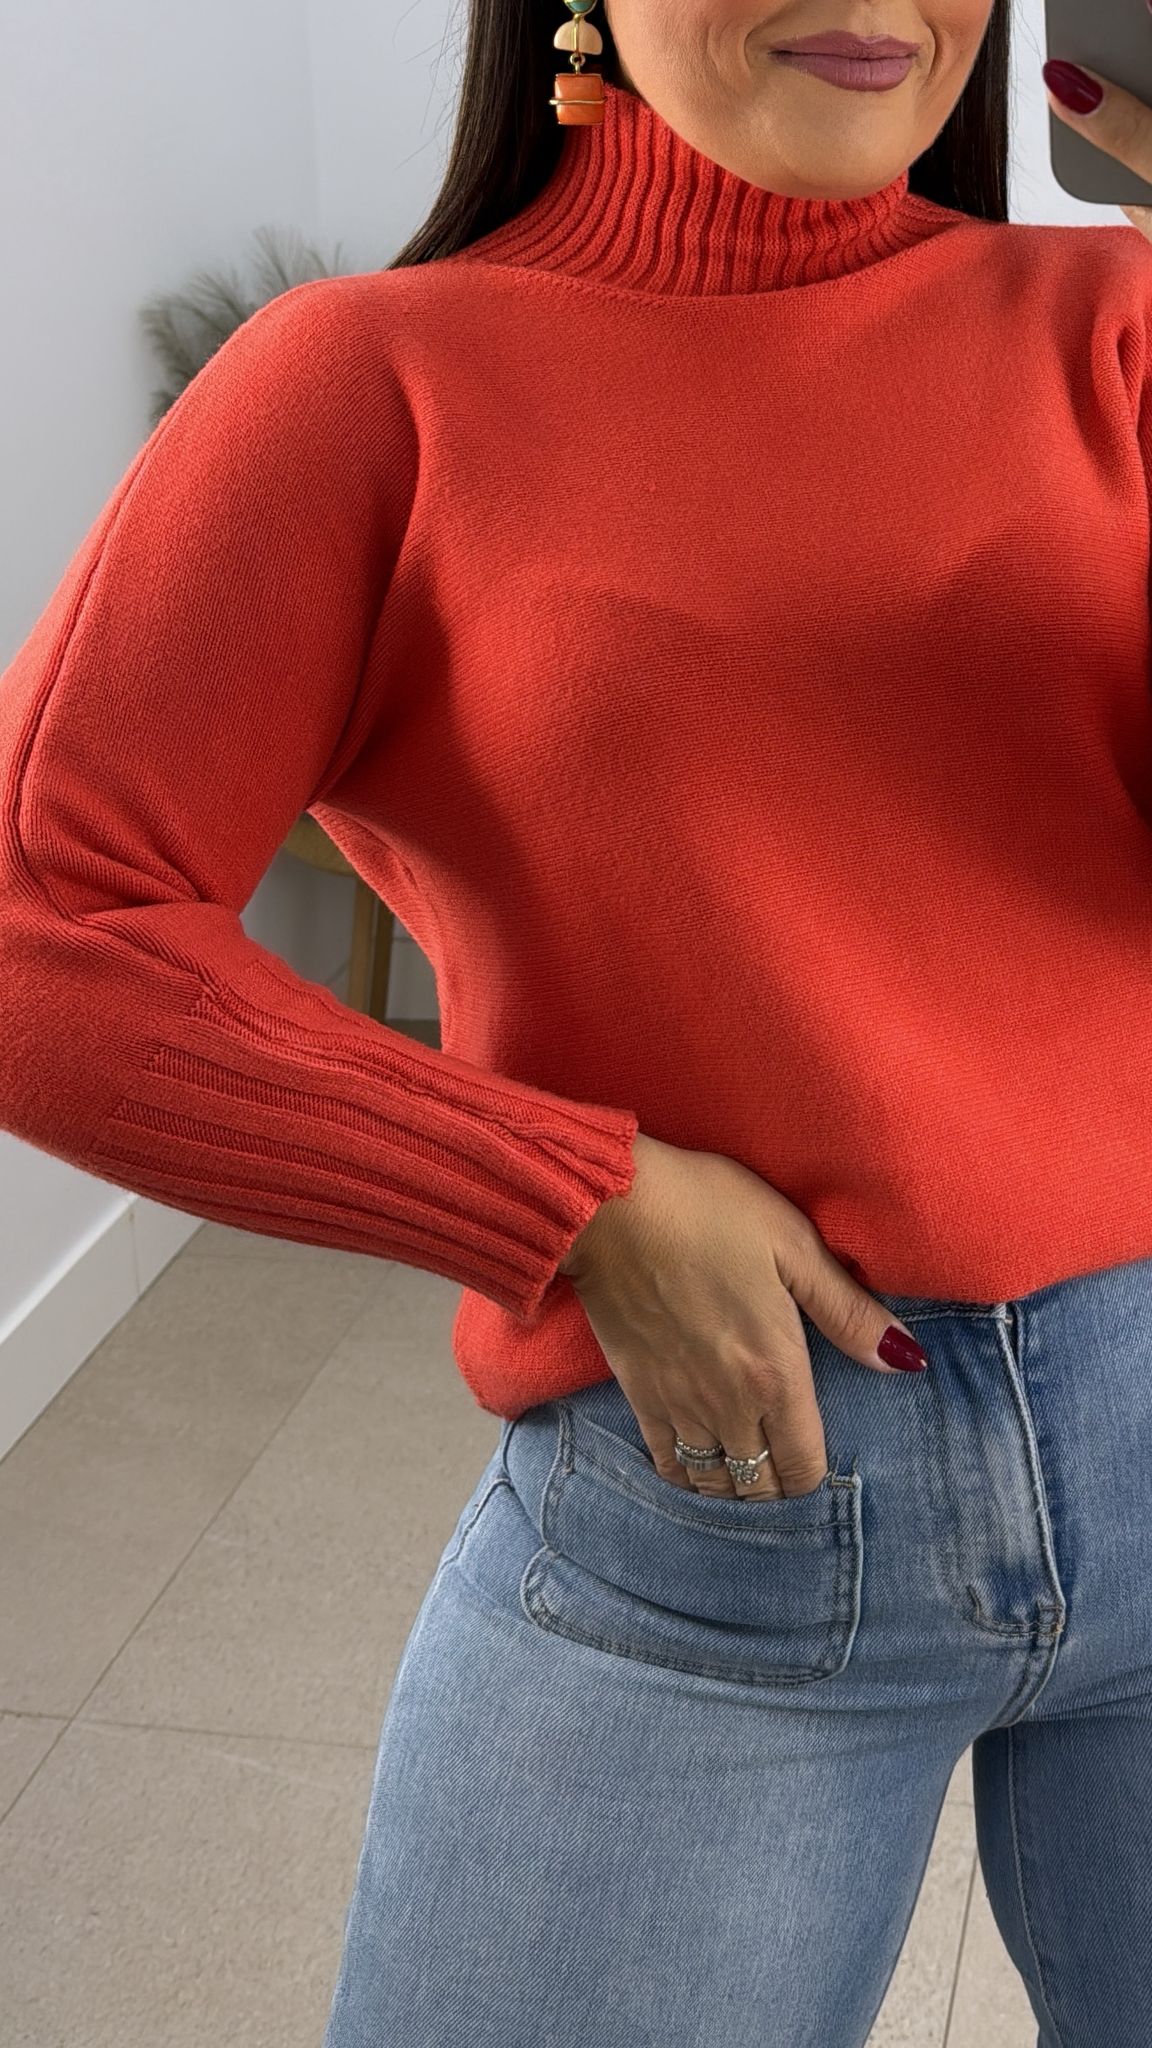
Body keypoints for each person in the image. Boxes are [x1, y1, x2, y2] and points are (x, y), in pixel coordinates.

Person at [3, 0, 1152, 2041]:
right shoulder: (376, 383)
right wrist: (569, 1196)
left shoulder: (1108, 327)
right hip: (726, 1517)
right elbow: (39, 920)